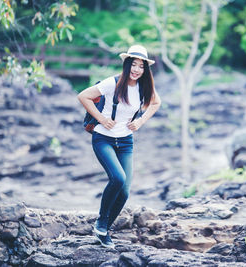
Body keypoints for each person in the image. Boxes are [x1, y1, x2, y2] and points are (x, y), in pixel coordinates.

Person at [77, 44, 161, 248]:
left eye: (141, 66)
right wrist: (101, 119)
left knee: (124, 191)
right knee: (118, 178)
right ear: (126, 64)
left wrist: (140, 121)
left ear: (145, 69)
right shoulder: (112, 83)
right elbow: (83, 96)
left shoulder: (144, 86)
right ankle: (101, 222)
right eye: (133, 64)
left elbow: (156, 103)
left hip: (125, 142)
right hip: (103, 138)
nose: (137, 69)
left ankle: (103, 227)